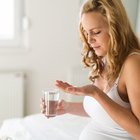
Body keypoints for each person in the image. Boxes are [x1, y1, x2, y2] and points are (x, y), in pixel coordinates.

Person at [41, 0, 140, 139]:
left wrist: (96, 93)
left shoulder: (132, 63)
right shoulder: (103, 59)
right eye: (86, 33)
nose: (89, 40)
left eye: (96, 32)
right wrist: (67, 107)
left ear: (115, 28)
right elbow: (104, 112)